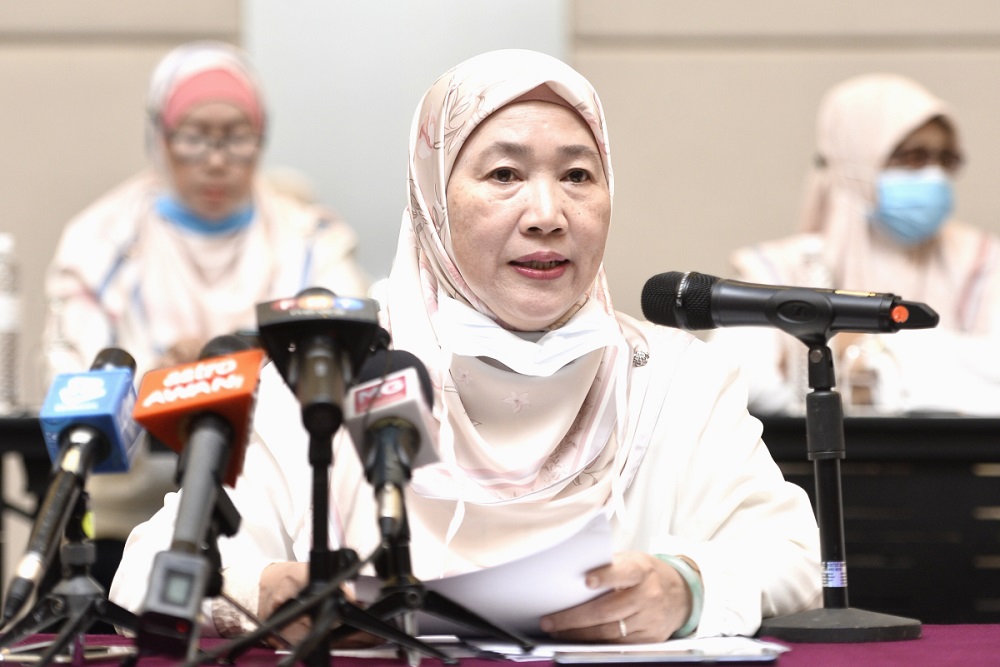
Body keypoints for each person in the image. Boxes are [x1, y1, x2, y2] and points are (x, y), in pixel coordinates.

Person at [111, 49, 820, 643]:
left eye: (577, 175)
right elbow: (148, 563)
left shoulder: (674, 376)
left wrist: (688, 587)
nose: (547, 215)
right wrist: (262, 592)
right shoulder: (320, 373)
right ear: (431, 200)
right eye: (504, 175)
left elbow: (793, 555)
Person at [41, 41, 369, 590]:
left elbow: (350, 363)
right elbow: (73, 387)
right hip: (123, 534)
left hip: (282, 534)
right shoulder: (99, 244)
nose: (216, 159)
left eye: (237, 138)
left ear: (261, 137)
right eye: (194, 137)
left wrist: (223, 369)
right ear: (159, 136)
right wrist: (160, 383)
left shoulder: (311, 239)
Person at [712, 73, 1000, 416]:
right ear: (856, 159)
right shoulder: (777, 269)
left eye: (945, 159)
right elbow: (736, 386)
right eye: (913, 157)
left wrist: (868, 355)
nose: (934, 175)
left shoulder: (981, 259)